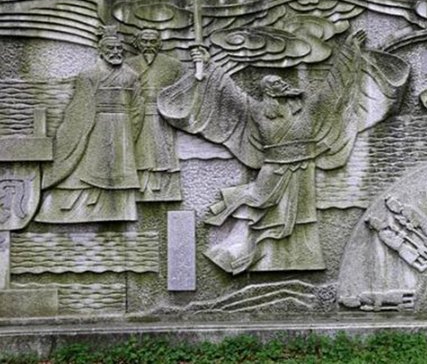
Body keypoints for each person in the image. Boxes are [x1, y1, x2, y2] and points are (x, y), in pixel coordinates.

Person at [158, 30, 409, 274]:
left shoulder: (307, 111)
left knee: (301, 221)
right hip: (272, 172)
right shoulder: (256, 111)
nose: (284, 85)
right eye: (277, 84)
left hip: (302, 171)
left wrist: (348, 52)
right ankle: (248, 258)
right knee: (262, 216)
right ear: (269, 92)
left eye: (282, 82)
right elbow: (228, 92)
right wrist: (208, 65)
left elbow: (333, 89)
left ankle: (299, 261)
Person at [36, 27, 143, 223]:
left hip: (123, 129)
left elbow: (137, 109)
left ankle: (118, 211)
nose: (115, 52)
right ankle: (73, 208)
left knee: (120, 171)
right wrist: (71, 132)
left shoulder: (131, 76)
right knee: (89, 167)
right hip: (96, 126)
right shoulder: (88, 75)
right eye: (110, 48)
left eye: (119, 48)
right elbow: (79, 107)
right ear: (100, 51)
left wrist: (131, 134)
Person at [127, 29, 184, 202]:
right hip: (137, 116)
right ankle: (141, 191)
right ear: (137, 43)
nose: (148, 45)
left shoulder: (173, 65)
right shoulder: (128, 65)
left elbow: (186, 89)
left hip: (163, 116)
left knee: (164, 154)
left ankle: (167, 191)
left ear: (159, 43)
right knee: (140, 155)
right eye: (144, 41)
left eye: (152, 41)